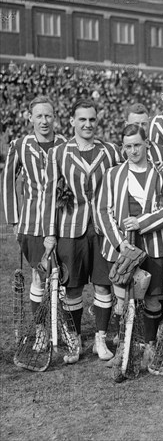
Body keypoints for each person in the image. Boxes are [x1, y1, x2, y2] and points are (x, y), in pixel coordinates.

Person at [42, 99, 122, 363]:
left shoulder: (110, 151)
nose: (88, 124)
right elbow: (49, 195)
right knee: (72, 288)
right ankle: (74, 341)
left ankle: (100, 338)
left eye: (92, 120)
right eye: (82, 120)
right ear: (72, 122)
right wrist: (50, 234)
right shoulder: (58, 153)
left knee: (103, 285)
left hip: (102, 230)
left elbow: (121, 187)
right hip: (70, 229)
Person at [97, 124, 163, 366]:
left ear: (147, 145)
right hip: (124, 248)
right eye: (128, 146)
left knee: (152, 297)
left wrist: (141, 222)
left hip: (153, 245)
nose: (133, 151)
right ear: (123, 147)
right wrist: (119, 243)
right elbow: (103, 211)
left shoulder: (161, 175)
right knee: (123, 300)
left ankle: (150, 347)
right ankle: (125, 347)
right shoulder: (113, 174)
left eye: (137, 145)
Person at [2, 96, 66, 347]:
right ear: (30, 118)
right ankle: (41, 330)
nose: (44, 121)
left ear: (54, 117)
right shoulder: (19, 145)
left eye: (48, 115)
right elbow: (8, 180)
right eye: (38, 116)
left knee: (62, 277)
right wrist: (14, 219)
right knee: (39, 276)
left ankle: (61, 324)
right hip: (32, 224)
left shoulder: (64, 144)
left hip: (62, 222)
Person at [125, 103, 163, 170]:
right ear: (126, 125)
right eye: (136, 124)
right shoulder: (119, 153)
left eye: (144, 124)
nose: (140, 128)